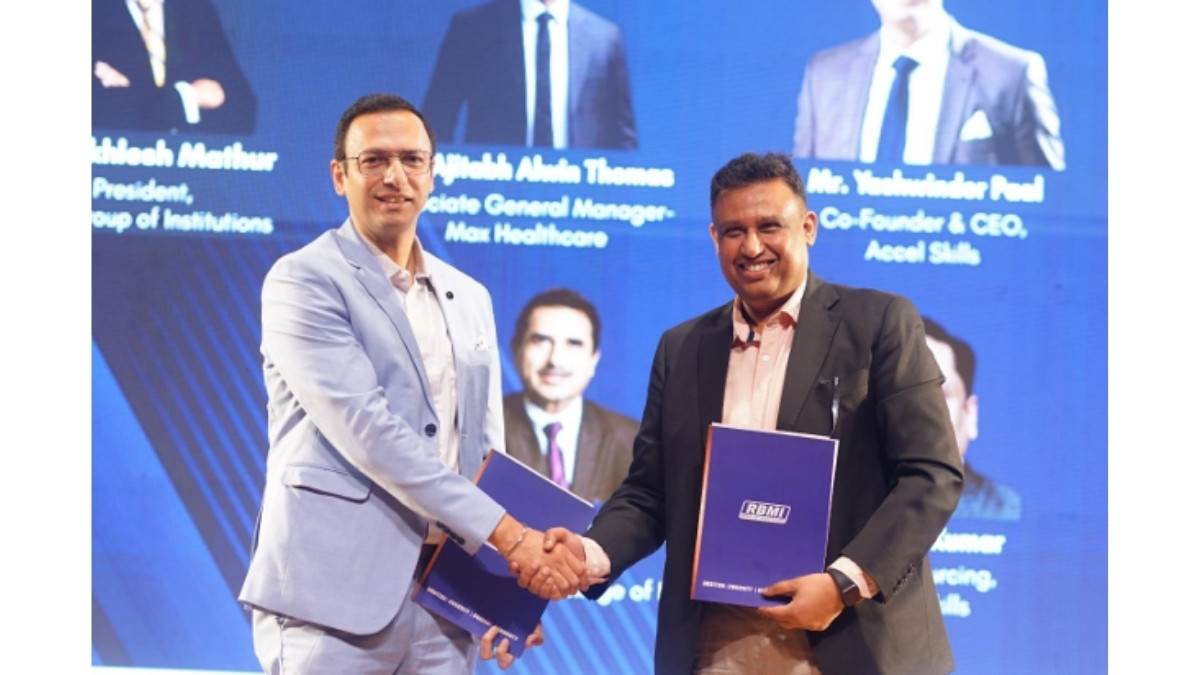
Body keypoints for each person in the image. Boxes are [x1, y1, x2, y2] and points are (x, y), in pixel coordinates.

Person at [528, 152, 964, 674]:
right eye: (734, 231)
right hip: (719, 646)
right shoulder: (682, 348)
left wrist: (842, 584)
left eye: (769, 227)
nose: (752, 247)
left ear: (808, 227)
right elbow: (650, 492)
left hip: (852, 636)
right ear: (715, 237)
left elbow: (931, 475)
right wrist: (589, 553)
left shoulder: (879, 324)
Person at [237, 92, 583, 673]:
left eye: (411, 160)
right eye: (373, 160)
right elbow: (369, 432)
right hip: (333, 600)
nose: (394, 176)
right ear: (339, 176)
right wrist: (511, 539)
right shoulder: (303, 280)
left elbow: (485, 453)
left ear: (431, 173)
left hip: (447, 600)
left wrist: (508, 593)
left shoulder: (469, 296)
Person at [792, 0, 1064, 169]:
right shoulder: (825, 74)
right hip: (847, 245)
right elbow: (802, 192)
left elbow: (1048, 200)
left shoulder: (1011, 73)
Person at [423, 0, 637, 150]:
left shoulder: (605, 36)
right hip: (493, 188)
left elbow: (623, 137)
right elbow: (438, 118)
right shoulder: (473, 27)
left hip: (582, 192)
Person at [504, 288, 637, 504]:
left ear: (594, 359)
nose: (555, 360)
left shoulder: (631, 441)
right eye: (541, 341)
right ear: (516, 351)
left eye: (573, 343)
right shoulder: (484, 431)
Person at [92, 0, 257, 134]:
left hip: (188, 159)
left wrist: (135, 96)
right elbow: (103, 111)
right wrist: (187, 97)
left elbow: (242, 108)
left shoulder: (194, 10)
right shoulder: (95, 10)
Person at [923, 316, 1021, 520]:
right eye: (901, 394)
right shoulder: (854, 501)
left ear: (970, 414)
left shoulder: (1004, 508)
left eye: (940, 395)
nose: (921, 409)